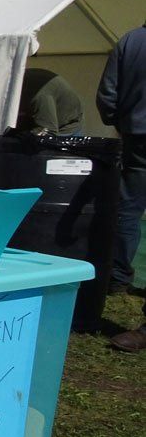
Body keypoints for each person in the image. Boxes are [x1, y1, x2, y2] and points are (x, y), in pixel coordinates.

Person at [98, 20, 146, 348]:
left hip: (137, 135)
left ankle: (116, 276)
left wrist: (121, 122)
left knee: (128, 207)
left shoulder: (130, 41)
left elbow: (107, 95)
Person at [17, 67, 84, 135]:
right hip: (33, 119)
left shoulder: (39, 96)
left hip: (63, 127)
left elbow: (48, 131)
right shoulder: (13, 83)